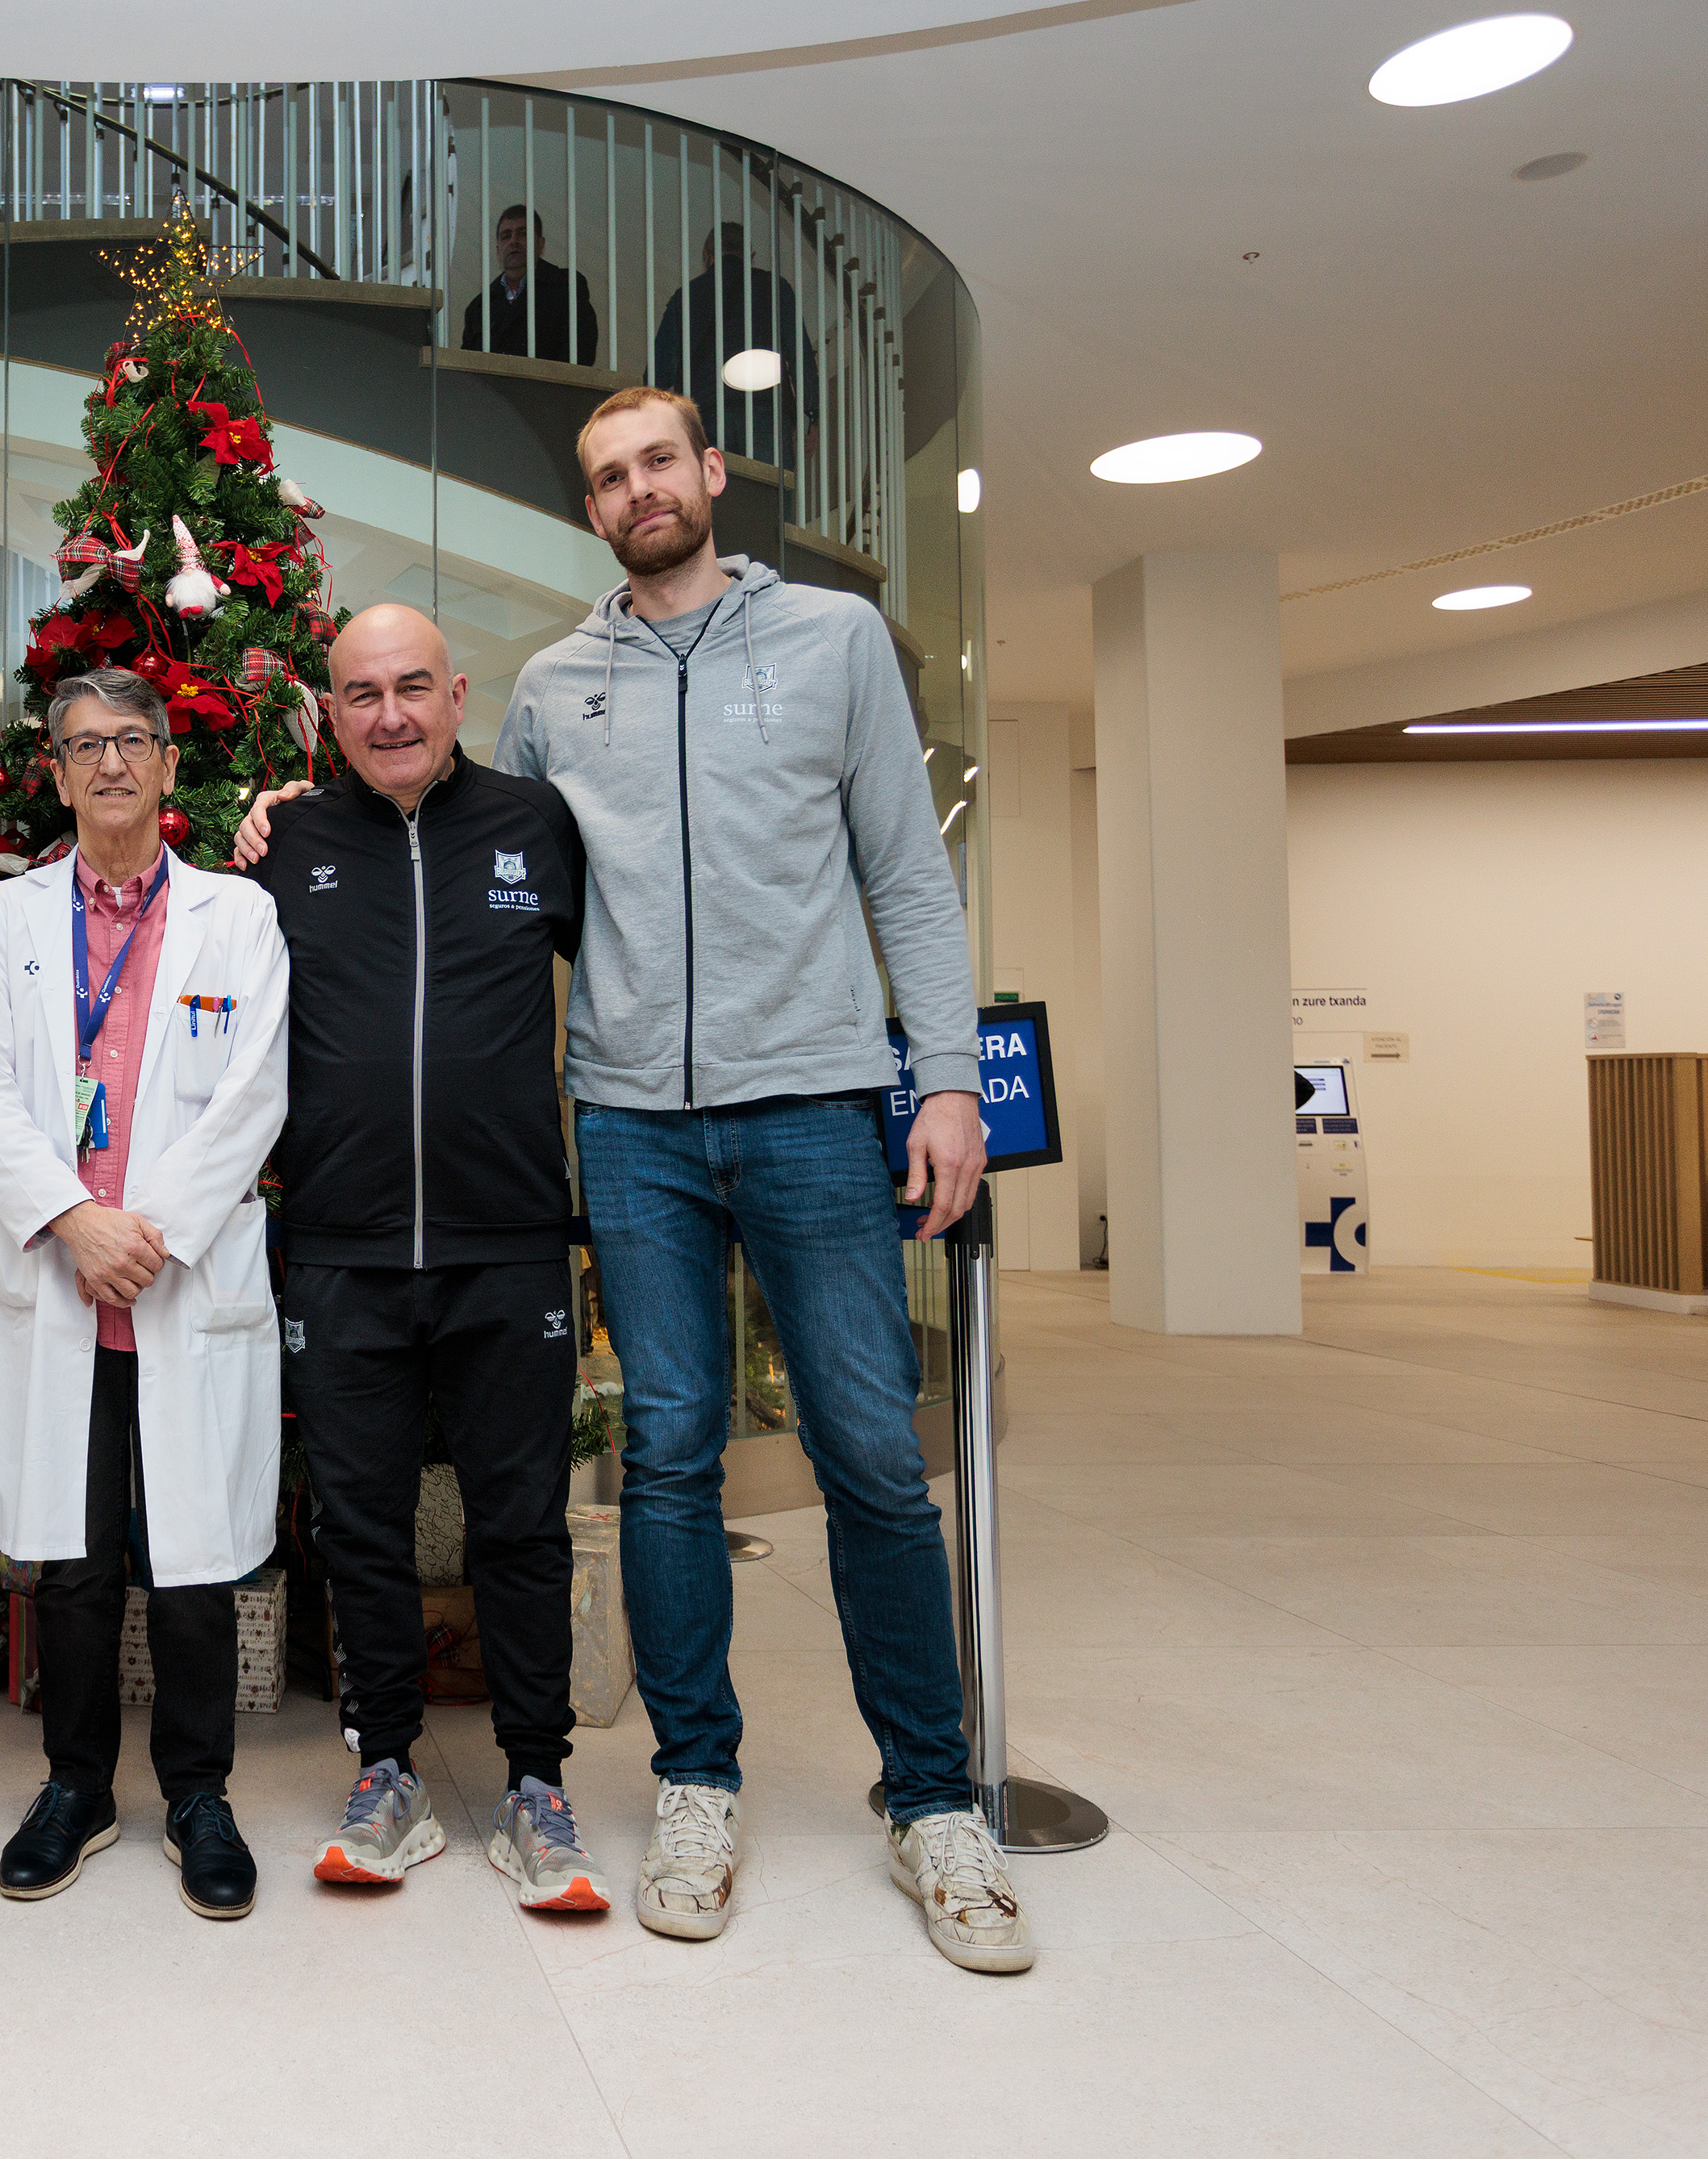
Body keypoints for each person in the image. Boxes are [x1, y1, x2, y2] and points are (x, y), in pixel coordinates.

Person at [236, 388, 1031, 1973]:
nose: (634, 489)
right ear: (593, 509)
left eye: (655, 460)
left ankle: (930, 1803)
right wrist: (289, 814)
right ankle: (692, 1783)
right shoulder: (548, 690)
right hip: (629, 1128)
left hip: (810, 1104)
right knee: (665, 1457)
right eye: (606, 475)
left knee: (869, 1452)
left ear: (707, 473)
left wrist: (940, 1077)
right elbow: (456, 845)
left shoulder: (830, 643)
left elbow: (902, 872)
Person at [244, 604, 613, 1914]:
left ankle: (535, 1781)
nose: (389, 713)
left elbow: (632, 988)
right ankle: (385, 1768)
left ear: (460, 696)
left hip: (506, 1241)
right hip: (341, 1247)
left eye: (413, 687)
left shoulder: (535, 826)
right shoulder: (284, 843)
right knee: (364, 1526)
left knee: (520, 1525)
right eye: (361, 694)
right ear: (329, 713)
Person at [0, 666, 290, 1923]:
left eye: (131, 739)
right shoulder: (4, 924)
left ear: (165, 764)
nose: (108, 763)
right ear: (58, 766)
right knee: (75, 1556)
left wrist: (153, 1232)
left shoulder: (236, 920)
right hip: (60, 1275)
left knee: (190, 1553)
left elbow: (259, 1088)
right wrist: (74, 1222)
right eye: (82, 743)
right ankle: (77, 1787)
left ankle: (199, 1793)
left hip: (179, 1280)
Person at [651, 222, 820, 474]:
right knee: (769, 497)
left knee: (717, 501)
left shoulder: (685, 298)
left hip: (705, 414)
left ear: (706, 257)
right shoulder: (774, 288)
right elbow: (800, 357)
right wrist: (813, 417)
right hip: (766, 412)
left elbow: (658, 374)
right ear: (749, 256)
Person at [461, 203, 599, 370]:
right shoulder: (478, 308)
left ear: (541, 244)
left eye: (523, 234)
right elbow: (468, 367)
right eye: (506, 236)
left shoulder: (566, 286)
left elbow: (581, 353)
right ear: (498, 250)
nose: (514, 242)